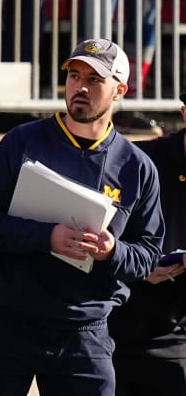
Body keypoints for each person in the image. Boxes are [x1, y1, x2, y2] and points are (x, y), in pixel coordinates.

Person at [0, 38, 164, 396]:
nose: (80, 87)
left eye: (95, 79)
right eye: (74, 75)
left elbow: (147, 255)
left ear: (120, 90)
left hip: (84, 334)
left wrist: (113, 251)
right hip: (5, 324)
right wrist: (46, 237)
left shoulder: (137, 167)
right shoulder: (21, 141)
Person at [108, 97, 186, 395]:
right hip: (115, 321)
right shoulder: (138, 159)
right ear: (184, 113)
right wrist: (137, 264)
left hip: (176, 333)